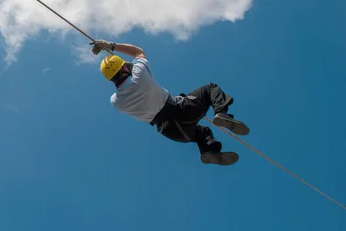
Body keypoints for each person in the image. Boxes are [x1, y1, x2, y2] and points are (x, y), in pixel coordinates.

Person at [90, 39, 250, 166]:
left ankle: (210, 152)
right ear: (125, 68)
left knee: (202, 133)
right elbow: (138, 52)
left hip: (173, 132)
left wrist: (125, 67)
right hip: (182, 111)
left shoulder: (116, 102)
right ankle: (222, 113)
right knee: (210, 89)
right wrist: (111, 45)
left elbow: (125, 85)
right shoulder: (140, 77)